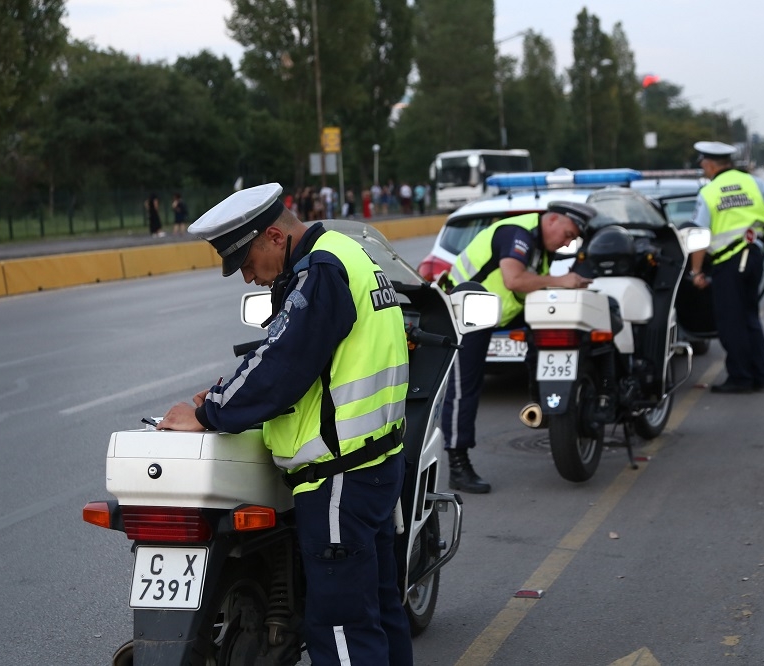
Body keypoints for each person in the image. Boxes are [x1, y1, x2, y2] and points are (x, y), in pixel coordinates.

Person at [157, 183, 413, 666]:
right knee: (378, 610)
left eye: (248, 263)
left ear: (274, 235)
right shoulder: (347, 253)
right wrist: (222, 393)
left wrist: (208, 412)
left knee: (340, 629)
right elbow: (309, 357)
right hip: (374, 463)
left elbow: (283, 363)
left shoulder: (320, 270)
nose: (248, 278)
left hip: (339, 480)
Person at [441, 201, 595, 493]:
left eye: (573, 239)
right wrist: (563, 282)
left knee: (553, 327)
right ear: (551, 220)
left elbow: (531, 286)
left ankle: (547, 401)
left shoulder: (542, 248)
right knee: (465, 387)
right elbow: (513, 280)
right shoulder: (519, 233)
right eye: (568, 233)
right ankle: (457, 464)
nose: (568, 242)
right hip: (467, 309)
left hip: (496, 311)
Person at [688, 140, 764, 394]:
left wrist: (696, 272)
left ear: (710, 165)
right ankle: (762, 374)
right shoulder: (754, 182)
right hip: (753, 258)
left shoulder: (709, 192)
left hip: (728, 263)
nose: (703, 169)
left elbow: (700, 235)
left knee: (731, 322)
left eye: (703, 165)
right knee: (749, 316)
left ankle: (741, 378)